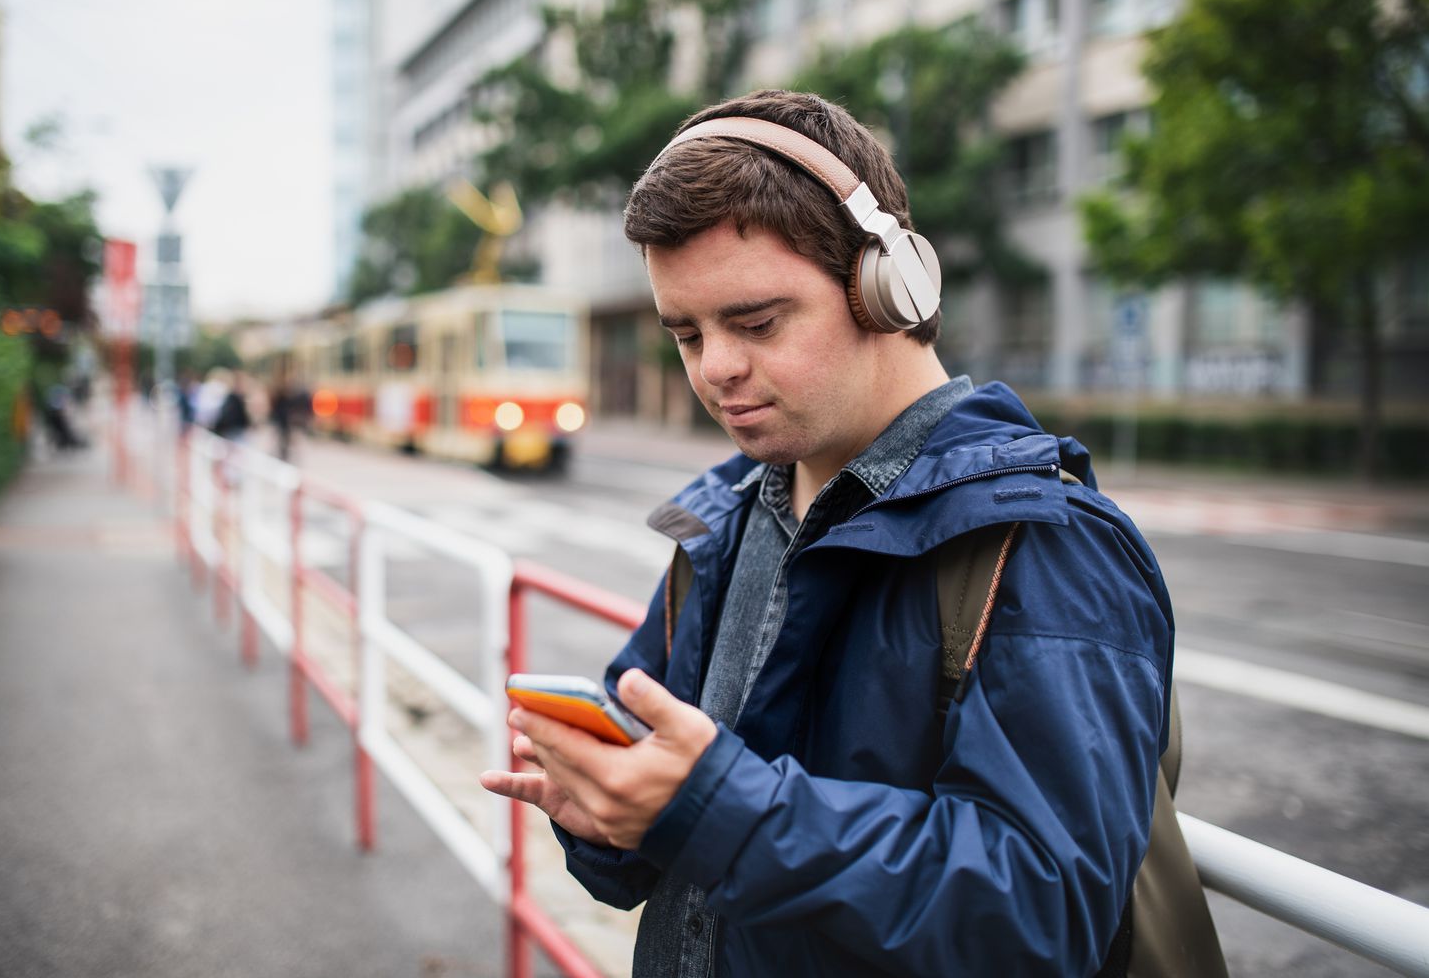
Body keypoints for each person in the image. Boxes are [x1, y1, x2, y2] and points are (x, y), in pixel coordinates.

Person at [480, 90, 1173, 976]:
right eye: (686, 335)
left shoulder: (1046, 543)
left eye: (757, 322)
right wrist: (611, 812)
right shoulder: (725, 514)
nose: (717, 369)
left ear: (887, 285)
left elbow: (1044, 914)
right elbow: (663, 804)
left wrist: (715, 810)